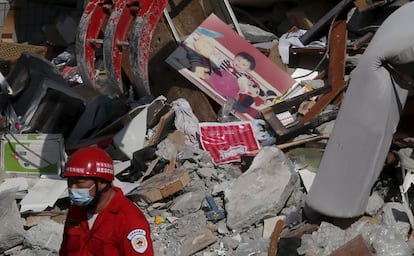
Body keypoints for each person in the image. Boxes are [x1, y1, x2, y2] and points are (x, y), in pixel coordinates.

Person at [59, 147, 153, 256]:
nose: (72, 188)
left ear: (102, 182)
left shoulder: (129, 220)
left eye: (79, 182)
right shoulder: (76, 211)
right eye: (70, 182)